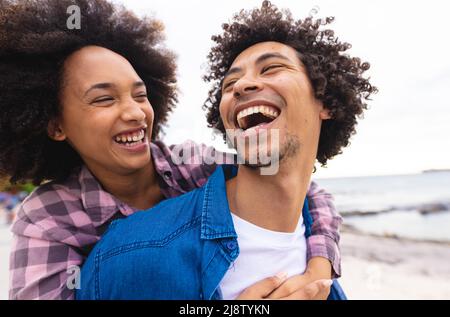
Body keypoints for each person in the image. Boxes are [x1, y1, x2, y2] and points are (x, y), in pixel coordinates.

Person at [1, 0, 342, 300]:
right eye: (104, 99)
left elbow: (297, 188)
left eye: (140, 95)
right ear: (56, 126)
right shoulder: (46, 219)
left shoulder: (189, 163)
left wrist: (319, 266)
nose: (135, 113)